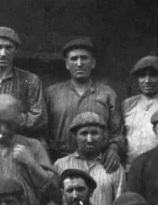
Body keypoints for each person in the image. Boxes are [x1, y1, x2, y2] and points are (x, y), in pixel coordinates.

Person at [45, 38, 124, 168]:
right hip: (60, 161)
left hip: (99, 163)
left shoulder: (107, 94)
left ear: (93, 63)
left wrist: (113, 150)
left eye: (84, 58)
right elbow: (43, 133)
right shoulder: (51, 93)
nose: (79, 63)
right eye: (74, 59)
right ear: (67, 64)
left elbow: (117, 133)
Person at [53, 112, 125, 205]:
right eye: (84, 133)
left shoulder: (114, 166)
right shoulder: (60, 165)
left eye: (94, 133)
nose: (89, 139)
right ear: (74, 135)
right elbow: (53, 201)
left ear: (103, 136)